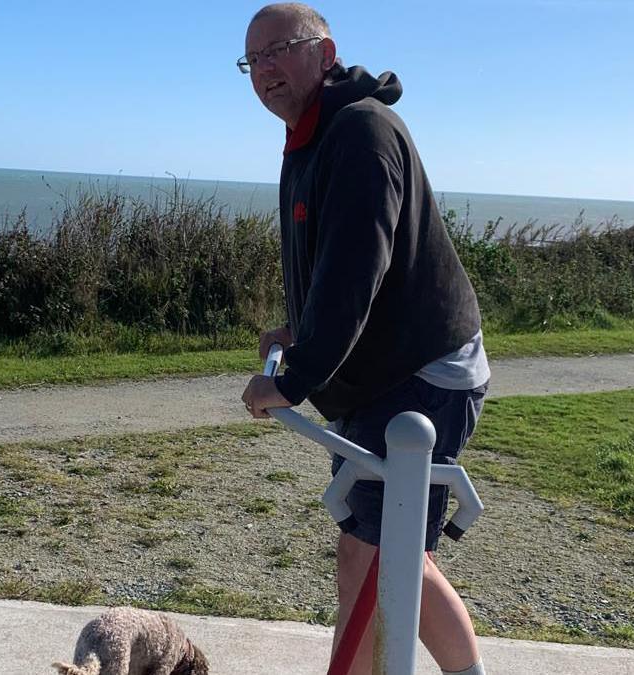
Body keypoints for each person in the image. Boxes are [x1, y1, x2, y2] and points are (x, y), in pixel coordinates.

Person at [237, 4, 491, 675]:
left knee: (374, 554)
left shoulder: (360, 133)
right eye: (251, 61)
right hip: (384, 367)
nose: (264, 71)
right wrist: (301, 331)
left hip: (421, 372)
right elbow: (335, 270)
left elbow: (356, 270)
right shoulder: (311, 136)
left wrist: (290, 380)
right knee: (389, 551)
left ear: (324, 53)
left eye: (277, 51)